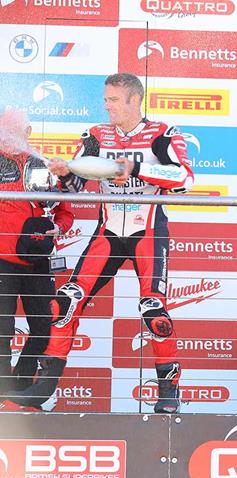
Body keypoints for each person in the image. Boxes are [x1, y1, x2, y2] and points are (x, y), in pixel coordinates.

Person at [40, 73, 193, 413]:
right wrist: (65, 174)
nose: (106, 106)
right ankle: (45, 391)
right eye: (105, 99)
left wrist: (135, 168)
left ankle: (169, 394)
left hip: (148, 231)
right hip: (107, 232)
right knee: (66, 302)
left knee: (154, 312)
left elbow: (184, 179)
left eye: (112, 100)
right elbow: (76, 188)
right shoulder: (95, 135)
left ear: (134, 100)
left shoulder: (162, 134)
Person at [0, 109, 74, 411]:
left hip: (37, 260)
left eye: (21, 130)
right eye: (9, 130)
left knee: (43, 326)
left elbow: (66, 211)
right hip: (2, 260)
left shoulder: (42, 164)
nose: (15, 137)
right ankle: (5, 392)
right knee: (2, 329)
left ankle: (19, 385)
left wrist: (57, 228)